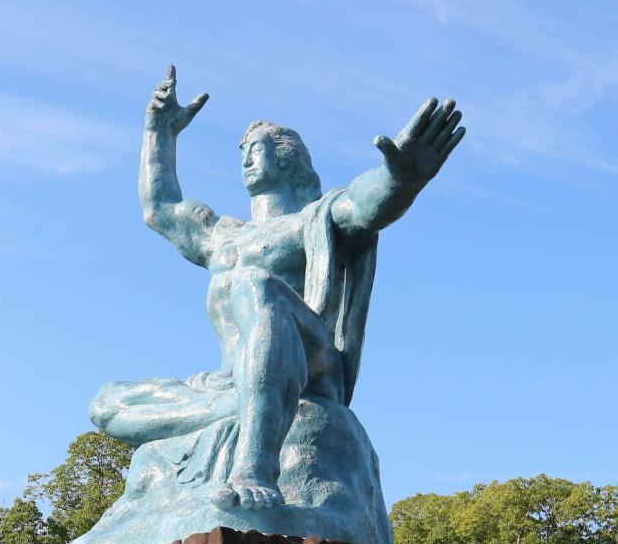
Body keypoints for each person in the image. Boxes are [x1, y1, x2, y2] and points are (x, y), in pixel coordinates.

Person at [106, 65, 465, 510]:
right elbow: (160, 209)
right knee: (108, 402)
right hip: (227, 381)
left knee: (256, 285)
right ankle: (241, 405)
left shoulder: (312, 220)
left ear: (287, 157)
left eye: (255, 148)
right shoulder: (222, 236)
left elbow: (366, 205)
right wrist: (159, 132)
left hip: (309, 367)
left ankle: (254, 464)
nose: (245, 158)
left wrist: (401, 179)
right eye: (241, 151)